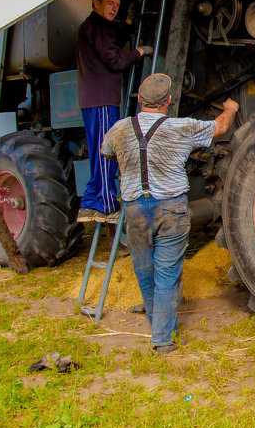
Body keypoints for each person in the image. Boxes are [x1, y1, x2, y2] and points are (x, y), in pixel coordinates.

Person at [100, 73, 239, 354]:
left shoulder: (119, 129)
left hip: (135, 208)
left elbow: (107, 153)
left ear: (139, 100)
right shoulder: (181, 127)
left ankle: (159, 326)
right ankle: (163, 338)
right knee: (167, 272)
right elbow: (221, 128)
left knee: (144, 269)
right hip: (170, 208)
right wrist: (231, 108)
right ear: (169, 101)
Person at [76, 0, 150, 224]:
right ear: (95, 3)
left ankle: (89, 203)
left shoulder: (93, 27)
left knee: (97, 152)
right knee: (107, 152)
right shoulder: (98, 27)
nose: (114, 9)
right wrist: (138, 52)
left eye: (117, 5)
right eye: (110, 4)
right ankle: (107, 206)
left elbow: (112, 41)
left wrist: (128, 23)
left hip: (92, 100)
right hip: (102, 100)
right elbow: (115, 60)